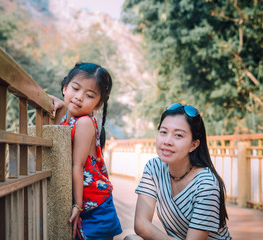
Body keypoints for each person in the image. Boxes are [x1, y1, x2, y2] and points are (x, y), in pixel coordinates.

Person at [125, 103, 232, 240]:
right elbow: (141, 224)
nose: (167, 141)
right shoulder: (154, 168)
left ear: (193, 145)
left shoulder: (206, 185)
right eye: (163, 132)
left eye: (178, 135)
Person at [49, 62, 122, 240]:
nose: (79, 97)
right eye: (75, 88)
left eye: (89, 95)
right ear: (65, 88)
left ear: (98, 105)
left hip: (95, 206)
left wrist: (77, 206)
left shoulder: (84, 122)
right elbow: (59, 136)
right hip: (84, 201)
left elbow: (78, 165)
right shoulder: (69, 120)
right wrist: (58, 106)